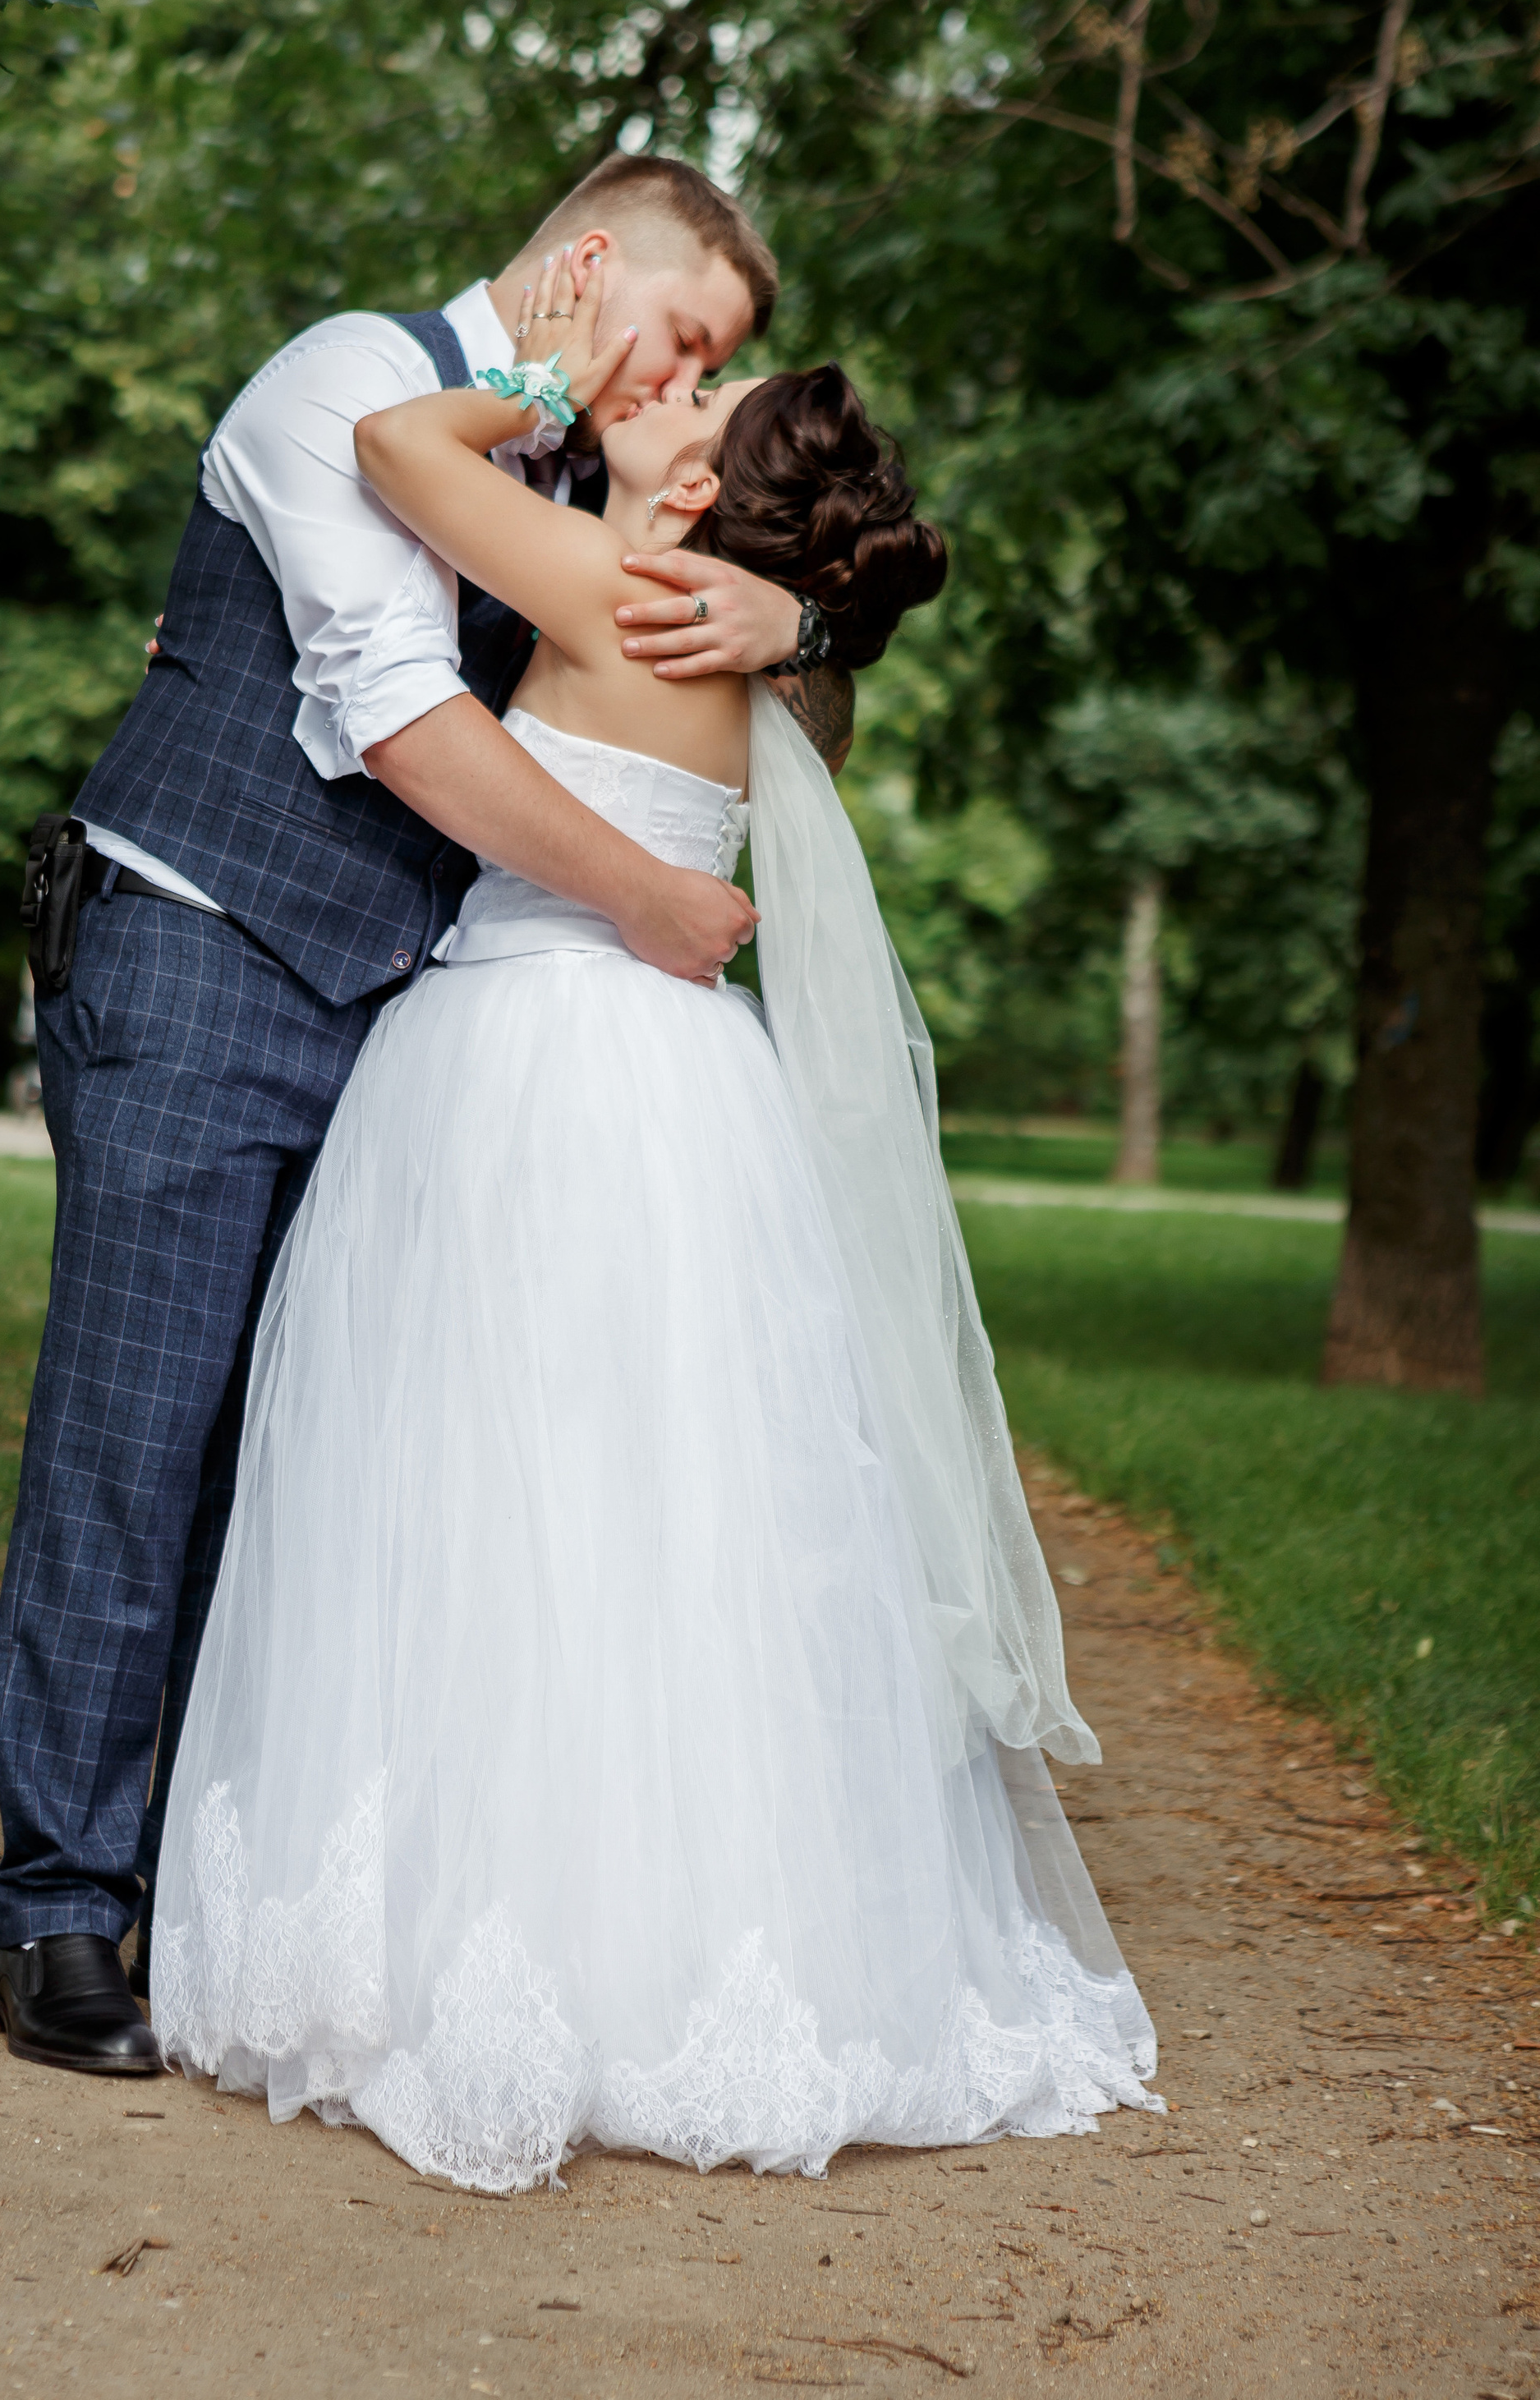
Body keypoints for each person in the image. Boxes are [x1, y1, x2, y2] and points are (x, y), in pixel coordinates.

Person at [148, 255, 1160, 2188]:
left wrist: (542, 372)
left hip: (533, 1060)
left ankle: (503, 1925)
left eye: (702, 391)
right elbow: (809, 684)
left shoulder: (610, 586)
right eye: (681, 364)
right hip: (689, 1089)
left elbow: (387, 436)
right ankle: (670, 1915)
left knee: (483, 1482)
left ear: (696, 499)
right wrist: (799, 605)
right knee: (662, 1502)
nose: (667, 385)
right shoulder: (746, 648)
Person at [0, 159, 833, 2076]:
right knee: (137, 1435)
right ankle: (57, 1910)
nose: (678, 383)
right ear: (593, 262)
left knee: (305, 1466)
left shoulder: (559, 484)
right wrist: (640, 894)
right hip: (197, 952)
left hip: (398, 1026)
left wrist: (784, 623)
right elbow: (395, 713)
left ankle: (208, 1883)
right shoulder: (342, 383)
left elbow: (718, 668)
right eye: (683, 340)